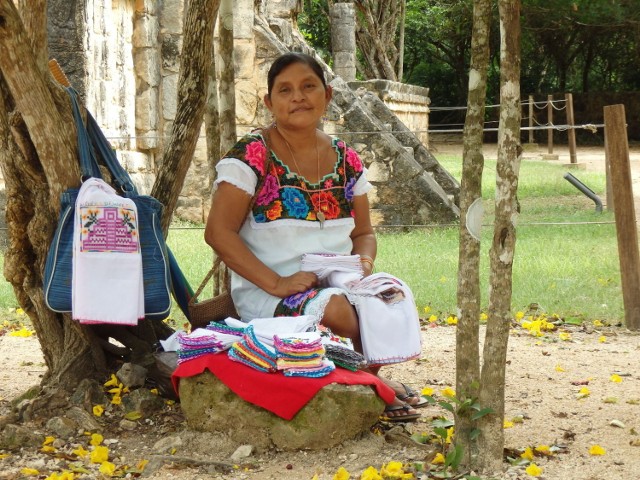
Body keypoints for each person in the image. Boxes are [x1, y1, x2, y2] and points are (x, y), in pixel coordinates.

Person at [205, 52, 424, 421]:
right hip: (269, 292)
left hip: (337, 282)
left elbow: (365, 233)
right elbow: (218, 232)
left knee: (390, 294)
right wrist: (277, 282)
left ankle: (368, 378)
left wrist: (363, 267)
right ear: (269, 102)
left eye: (308, 86)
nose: (298, 97)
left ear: (328, 94)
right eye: (285, 90)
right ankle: (373, 387)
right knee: (338, 308)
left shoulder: (347, 160)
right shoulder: (252, 156)